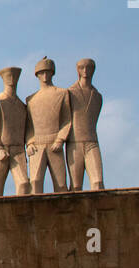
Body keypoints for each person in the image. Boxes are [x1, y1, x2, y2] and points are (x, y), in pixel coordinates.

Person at [25, 57, 72, 194]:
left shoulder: (62, 94)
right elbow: (29, 125)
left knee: (61, 183)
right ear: (37, 75)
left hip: (54, 143)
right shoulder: (31, 99)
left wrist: (60, 139)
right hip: (37, 145)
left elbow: (67, 120)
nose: (45, 76)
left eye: (48, 72)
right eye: (41, 73)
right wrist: (29, 142)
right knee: (35, 182)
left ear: (52, 73)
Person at [0, 66, 31, 197]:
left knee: (24, 184)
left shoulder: (22, 106)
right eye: (9, 77)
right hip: (2, 149)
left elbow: (27, 130)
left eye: (14, 77)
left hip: (18, 150)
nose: (12, 79)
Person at [65, 58, 104, 191]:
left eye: (89, 67)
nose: (85, 71)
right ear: (78, 70)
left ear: (93, 70)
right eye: (82, 67)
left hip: (92, 142)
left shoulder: (97, 96)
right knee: (75, 186)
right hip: (74, 143)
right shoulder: (70, 93)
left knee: (98, 182)